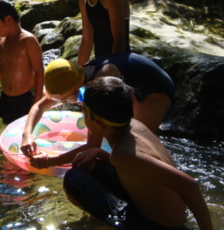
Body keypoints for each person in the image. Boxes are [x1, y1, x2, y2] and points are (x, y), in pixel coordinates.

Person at [40, 77, 212, 228]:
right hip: (168, 211)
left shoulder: (123, 153)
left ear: (99, 122)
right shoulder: (135, 126)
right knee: (88, 164)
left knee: (74, 179)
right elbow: (139, 168)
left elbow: (189, 185)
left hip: (158, 225)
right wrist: (100, 153)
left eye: (84, 111)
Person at [20, 53, 174, 158]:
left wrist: (50, 161)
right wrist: (27, 136)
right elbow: (38, 107)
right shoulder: (74, 77)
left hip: (156, 88)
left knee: (136, 142)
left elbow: (92, 145)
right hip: (134, 84)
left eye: (64, 100)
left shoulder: (97, 87)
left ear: (75, 91)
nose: (63, 103)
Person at [0, 0, 44, 124]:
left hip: (25, 98)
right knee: (8, 130)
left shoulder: (28, 40)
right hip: (6, 98)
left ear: (8, 19)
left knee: (25, 131)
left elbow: (39, 71)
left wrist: (37, 100)